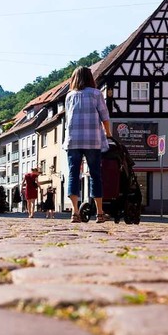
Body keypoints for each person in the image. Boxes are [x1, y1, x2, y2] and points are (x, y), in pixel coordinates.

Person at [63, 66, 112, 223]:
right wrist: (108, 133)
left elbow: (67, 117)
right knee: (95, 175)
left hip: (73, 140)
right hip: (92, 140)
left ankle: (75, 213)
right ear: (90, 78)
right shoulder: (96, 94)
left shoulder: (69, 96)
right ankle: (99, 213)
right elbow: (105, 115)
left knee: (73, 175)